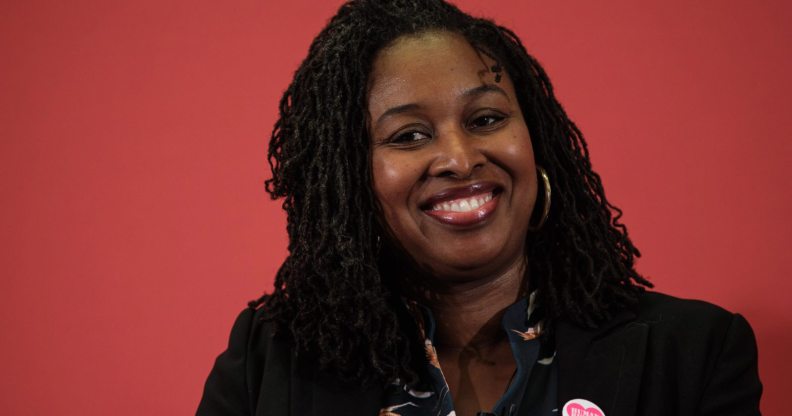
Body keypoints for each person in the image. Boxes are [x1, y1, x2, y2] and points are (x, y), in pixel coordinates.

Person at [197, 1, 762, 415]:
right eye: (409, 135)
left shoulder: (693, 355)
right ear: (351, 182)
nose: (460, 159)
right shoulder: (268, 364)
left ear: (535, 141)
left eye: (486, 120)